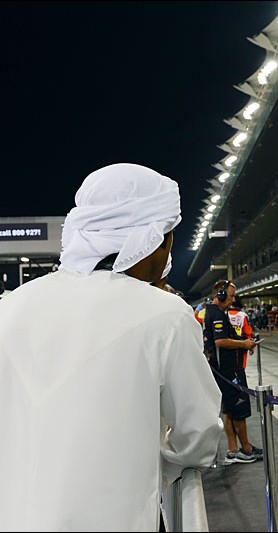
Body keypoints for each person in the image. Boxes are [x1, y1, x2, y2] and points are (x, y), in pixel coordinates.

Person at [0, 163, 222, 531]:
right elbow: (198, 435)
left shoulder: (10, 306)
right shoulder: (166, 315)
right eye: (168, 239)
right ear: (152, 239)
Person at [204, 279, 262, 465]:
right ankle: (244, 448)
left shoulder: (215, 312)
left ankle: (234, 449)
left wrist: (243, 344)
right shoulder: (217, 314)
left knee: (228, 409)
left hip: (224, 370)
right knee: (238, 408)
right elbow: (220, 341)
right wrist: (243, 344)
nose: (233, 300)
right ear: (220, 295)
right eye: (230, 296)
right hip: (228, 371)